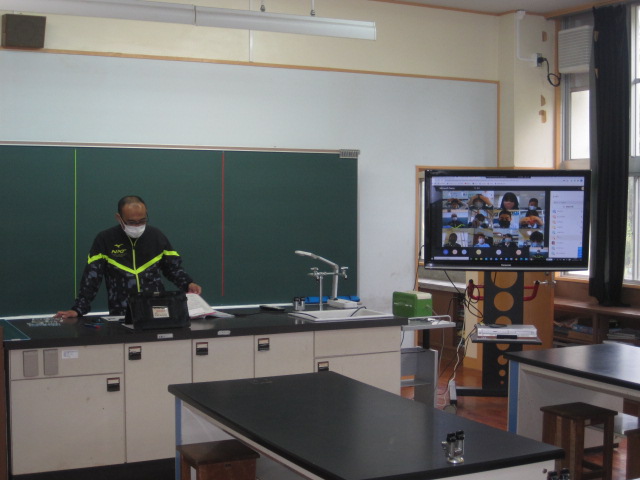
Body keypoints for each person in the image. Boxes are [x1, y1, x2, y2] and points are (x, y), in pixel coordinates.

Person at [56, 195, 202, 318]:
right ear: (119, 218)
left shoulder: (157, 236)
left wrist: (188, 283)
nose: (137, 225)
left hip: (157, 310)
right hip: (122, 313)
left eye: (142, 220)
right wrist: (78, 309)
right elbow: (92, 278)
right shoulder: (105, 239)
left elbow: (173, 268)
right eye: (131, 222)